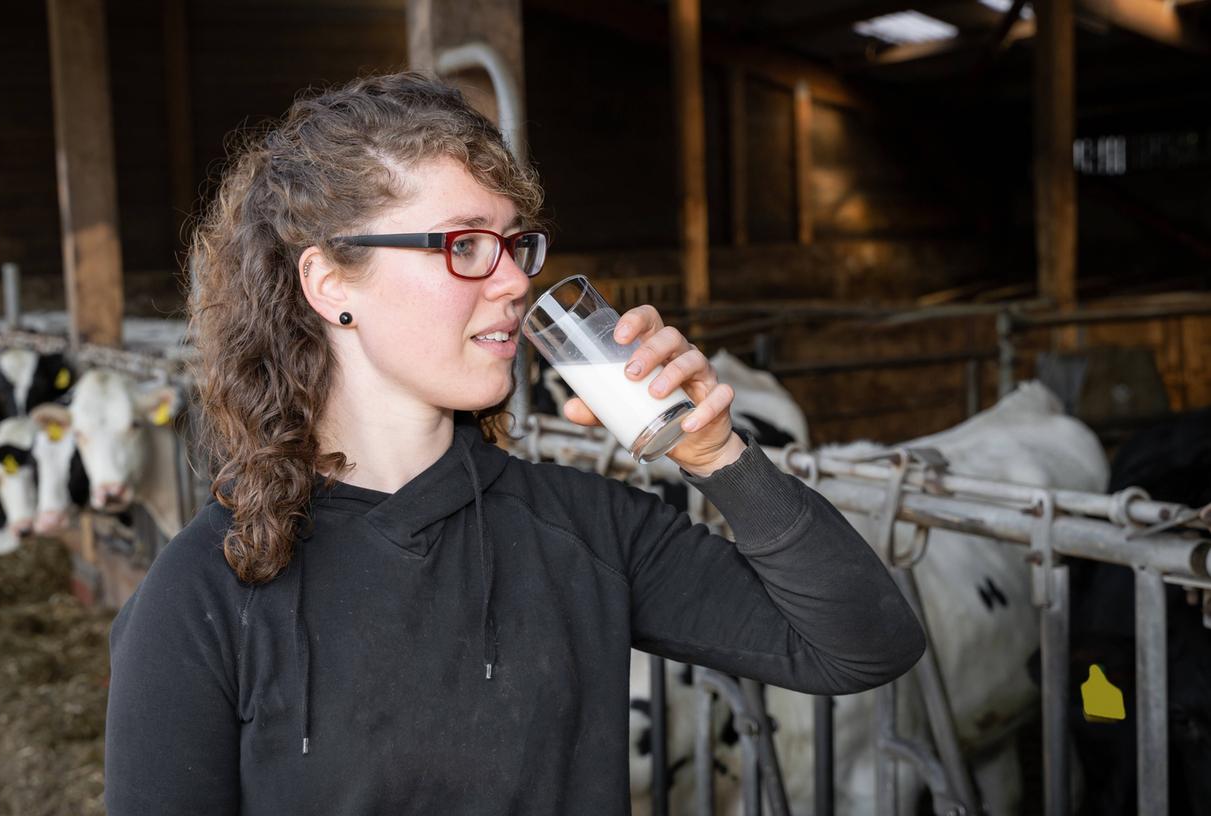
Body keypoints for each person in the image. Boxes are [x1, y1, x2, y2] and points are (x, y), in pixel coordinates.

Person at [104, 71, 925, 815]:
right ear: (328, 284)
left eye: (512, 243)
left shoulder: (586, 532)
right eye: (463, 244)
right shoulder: (208, 593)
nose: (512, 280)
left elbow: (864, 647)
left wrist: (717, 457)